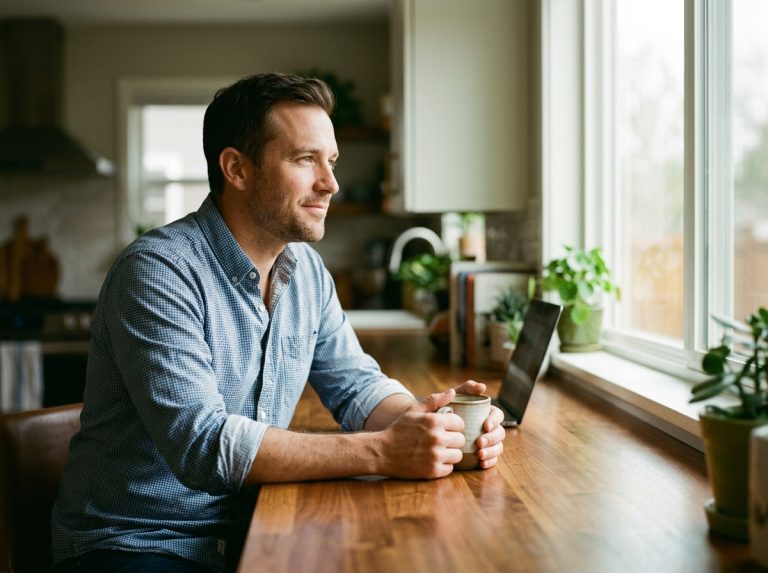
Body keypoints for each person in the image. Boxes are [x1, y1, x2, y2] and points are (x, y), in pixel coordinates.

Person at [51, 72, 505, 573]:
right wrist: (382, 452)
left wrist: (434, 423)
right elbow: (203, 447)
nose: (330, 183)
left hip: (249, 525)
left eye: (330, 162)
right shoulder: (158, 271)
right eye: (305, 159)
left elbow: (357, 386)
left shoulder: (306, 270)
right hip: (137, 543)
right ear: (237, 169)